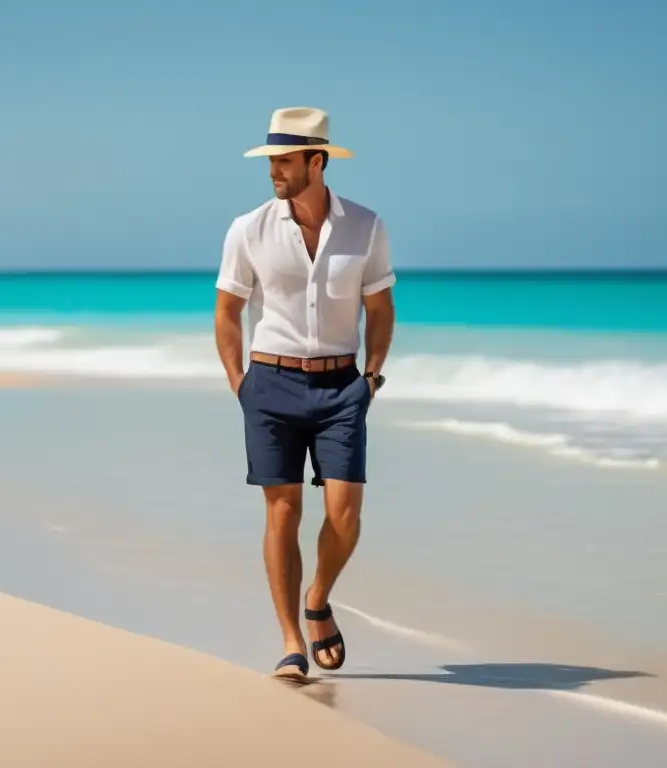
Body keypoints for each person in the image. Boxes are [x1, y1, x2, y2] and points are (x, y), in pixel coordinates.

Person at [213, 107, 396, 683]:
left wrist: (371, 376)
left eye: (285, 160)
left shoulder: (366, 227)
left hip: (343, 387)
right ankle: (291, 641)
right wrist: (238, 382)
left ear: (317, 162)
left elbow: (380, 308)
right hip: (269, 384)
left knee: (345, 514)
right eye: (271, 160)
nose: (274, 170)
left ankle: (317, 599)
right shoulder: (249, 228)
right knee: (283, 511)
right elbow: (227, 310)